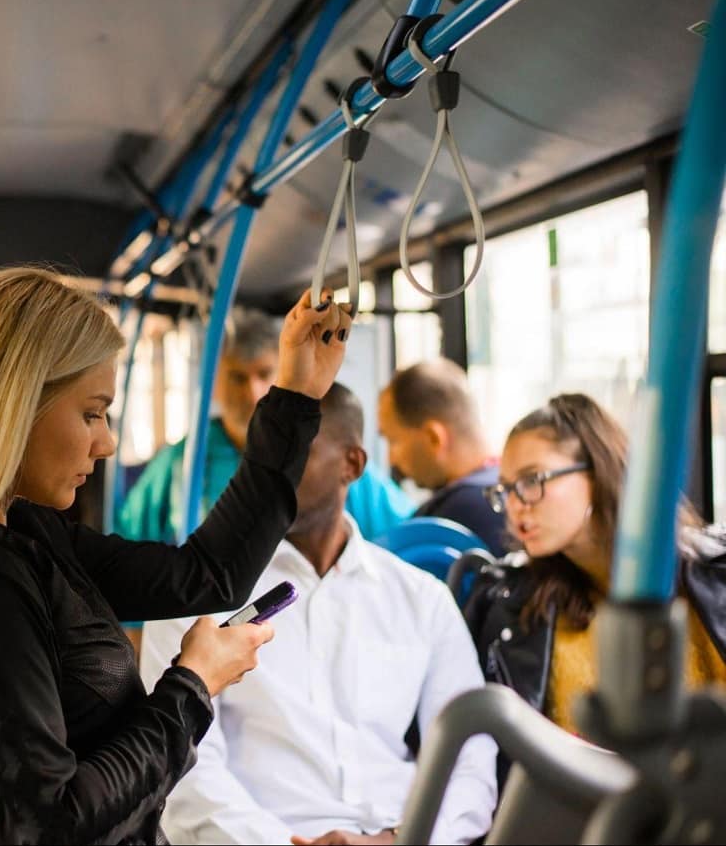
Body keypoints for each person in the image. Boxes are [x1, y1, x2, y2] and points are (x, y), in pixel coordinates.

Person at [0, 268, 353, 842]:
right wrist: (191, 686)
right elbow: (49, 828)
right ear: (14, 408)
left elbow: (207, 575)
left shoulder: (25, 535)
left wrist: (297, 397)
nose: (107, 443)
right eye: (92, 413)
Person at [140, 383, 496, 845]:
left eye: (296, 452)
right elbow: (182, 766)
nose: (271, 473)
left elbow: (471, 757)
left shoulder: (421, 599)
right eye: (262, 454)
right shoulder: (193, 598)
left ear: (353, 464)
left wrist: (396, 840)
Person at [465, 394, 726, 736]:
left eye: (532, 481)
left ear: (597, 470)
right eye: (505, 490)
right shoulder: (513, 602)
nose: (516, 506)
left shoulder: (713, 575)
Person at [119, 307, 414, 545]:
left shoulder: (327, 458)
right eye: (237, 377)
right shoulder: (185, 459)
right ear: (216, 383)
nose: (253, 392)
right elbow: (128, 538)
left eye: (264, 373)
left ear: (286, 374)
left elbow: (407, 528)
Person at [378, 359, 508, 554]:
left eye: (394, 441)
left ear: (434, 437)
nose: (391, 459)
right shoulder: (514, 496)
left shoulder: (444, 523)